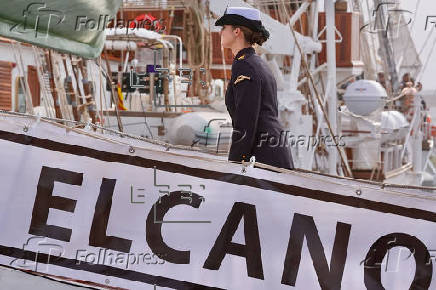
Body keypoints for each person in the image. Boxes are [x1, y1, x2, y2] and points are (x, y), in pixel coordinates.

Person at [215, 7, 294, 169]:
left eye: (224, 28)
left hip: (265, 157)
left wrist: (235, 163)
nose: (221, 32)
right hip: (270, 151)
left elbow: (246, 122)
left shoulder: (246, 67)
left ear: (237, 31)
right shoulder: (256, 63)